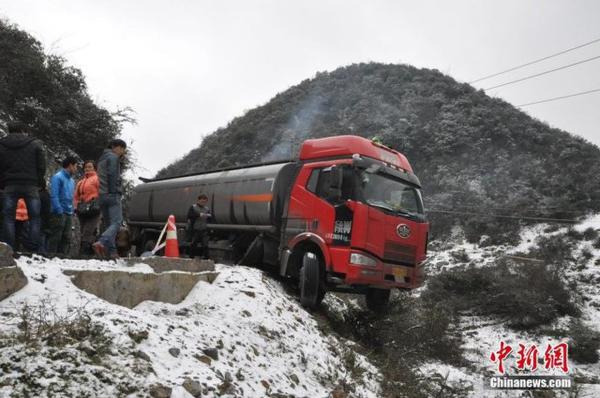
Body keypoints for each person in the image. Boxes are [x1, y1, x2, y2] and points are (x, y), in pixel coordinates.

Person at [0, 121, 46, 252]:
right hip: (31, 185)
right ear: (22, 130)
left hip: (10, 185)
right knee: (35, 217)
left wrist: (2, 183)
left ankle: (9, 248)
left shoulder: (1, 144)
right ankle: (32, 247)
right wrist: (39, 181)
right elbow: (41, 165)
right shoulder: (34, 144)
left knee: (8, 217)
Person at [93, 139, 127, 258]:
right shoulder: (113, 157)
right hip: (111, 194)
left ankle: (112, 252)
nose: (122, 152)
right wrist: (114, 191)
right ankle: (101, 242)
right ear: (115, 147)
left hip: (101, 195)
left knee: (109, 225)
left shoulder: (102, 158)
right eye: (122, 149)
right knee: (117, 223)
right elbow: (112, 175)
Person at [47, 157, 78, 255]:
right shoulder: (57, 177)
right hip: (58, 211)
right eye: (76, 166)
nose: (76, 169)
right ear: (70, 165)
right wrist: (58, 209)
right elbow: (54, 195)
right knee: (56, 235)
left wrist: (72, 210)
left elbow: (71, 197)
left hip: (68, 212)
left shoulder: (72, 181)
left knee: (66, 237)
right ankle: (51, 256)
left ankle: (62, 258)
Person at [74, 160, 100, 255]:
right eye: (86, 167)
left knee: (88, 230)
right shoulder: (81, 182)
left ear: (95, 168)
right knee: (83, 230)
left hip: (94, 208)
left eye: (90, 167)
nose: (87, 169)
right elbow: (76, 196)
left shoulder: (97, 179)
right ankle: (88, 252)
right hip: (82, 209)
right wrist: (75, 206)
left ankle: (84, 253)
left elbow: (102, 192)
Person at [186, 194, 211, 259]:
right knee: (194, 244)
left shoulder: (207, 208)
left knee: (205, 244)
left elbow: (210, 217)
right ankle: (191, 257)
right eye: (202, 201)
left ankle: (207, 258)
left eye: (205, 202)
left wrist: (209, 216)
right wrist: (199, 214)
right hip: (195, 229)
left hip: (204, 229)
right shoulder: (193, 207)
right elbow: (189, 215)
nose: (203, 203)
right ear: (198, 200)